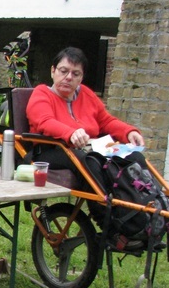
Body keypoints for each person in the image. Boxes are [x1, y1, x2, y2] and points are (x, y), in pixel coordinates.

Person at [26, 46, 147, 249]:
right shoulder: (42, 94)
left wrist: (128, 132)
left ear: (81, 78)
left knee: (132, 156)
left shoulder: (87, 95)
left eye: (75, 74)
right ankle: (109, 226)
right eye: (63, 71)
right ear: (53, 71)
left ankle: (141, 213)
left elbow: (106, 121)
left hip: (87, 149)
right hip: (49, 151)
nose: (68, 77)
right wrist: (70, 132)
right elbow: (44, 121)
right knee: (90, 162)